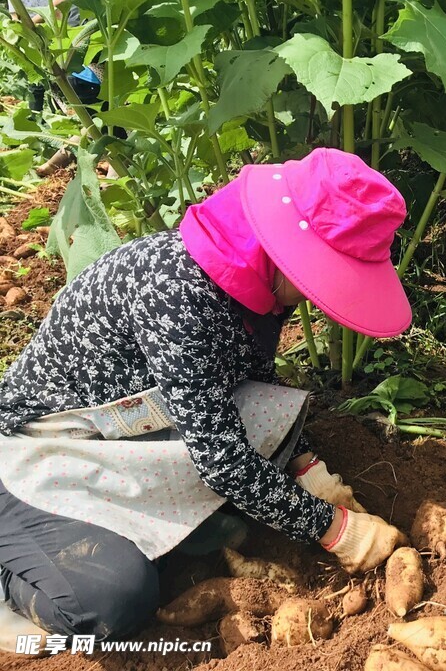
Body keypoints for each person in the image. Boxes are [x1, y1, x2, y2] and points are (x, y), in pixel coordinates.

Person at [0, 148, 412, 651]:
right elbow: (223, 461)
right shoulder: (176, 293)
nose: (312, 296)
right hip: (38, 450)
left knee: (255, 458)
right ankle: (11, 580)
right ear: (284, 249)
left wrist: (308, 469)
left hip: (133, 431)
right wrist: (335, 531)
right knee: (114, 599)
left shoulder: (256, 280)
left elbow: (254, 383)